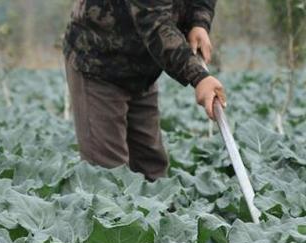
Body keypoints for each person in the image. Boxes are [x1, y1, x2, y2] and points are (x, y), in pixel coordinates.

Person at [64, 0, 226, 181]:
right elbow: (154, 23)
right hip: (99, 62)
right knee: (108, 176)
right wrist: (199, 77)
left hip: (143, 67)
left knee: (152, 169)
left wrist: (199, 23)